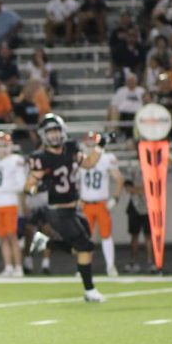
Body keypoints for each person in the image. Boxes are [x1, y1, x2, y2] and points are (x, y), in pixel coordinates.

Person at [25, 114, 107, 301]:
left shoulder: (71, 148)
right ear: (43, 135)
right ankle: (90, 290)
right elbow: (27, 186)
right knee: (85, 246)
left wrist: (100, 146)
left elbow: (88, 164)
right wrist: (38, 187)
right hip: (58, 210)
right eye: (50, 132)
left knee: (82, 249)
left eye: (56, 131)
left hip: (75, 208)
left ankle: (45, 243)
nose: (54, 136)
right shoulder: (40, 158)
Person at [77, 131, 123, 276]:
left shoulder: (107, 158)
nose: (90, 145)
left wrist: (115, 198)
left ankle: (110, 266)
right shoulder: (81, 159)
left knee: (106, 236)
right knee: (84, 238)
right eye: (88, 142)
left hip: (101, 203)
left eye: (93, 143)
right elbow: (74, 182)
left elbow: (119, 179)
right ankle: (83, 269)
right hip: (85, 204)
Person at [0, 132, 27, 277]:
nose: (1, 149)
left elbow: (21, 184)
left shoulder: (15, 160)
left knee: (12, 236)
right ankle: (8, 267)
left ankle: (18, 267)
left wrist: (6, 189)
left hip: (9, 201)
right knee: (2, 237)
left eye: (4, 146)